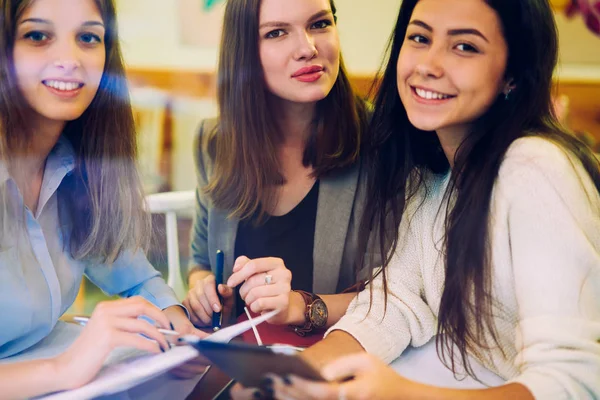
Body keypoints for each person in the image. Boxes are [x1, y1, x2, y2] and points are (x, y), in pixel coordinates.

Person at [263, 0, 600, 399]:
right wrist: (299, 375)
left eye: (465, 47)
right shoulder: (433, 175)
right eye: (420, 38)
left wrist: (402, 393)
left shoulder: (535, 168)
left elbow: (574, 384)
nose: (429, 65)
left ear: (513, 75)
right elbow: (397, 301)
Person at [0, 0, 203, 398]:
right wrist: (64, 369)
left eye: (88, 38)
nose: (70, 59)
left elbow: (137, 277)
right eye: (38, 36)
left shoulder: (76, 168)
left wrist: (177, 325)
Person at [183, 0, 370, 339]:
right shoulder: (214, 141)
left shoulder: (380, 141)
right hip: (242, 364)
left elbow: (394, 295)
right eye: (277, 32)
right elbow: (201, 261)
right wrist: (206, 291)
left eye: (319, 24)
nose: (307, 48)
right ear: (244, 53)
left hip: (339, 361)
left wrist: (302, 306)